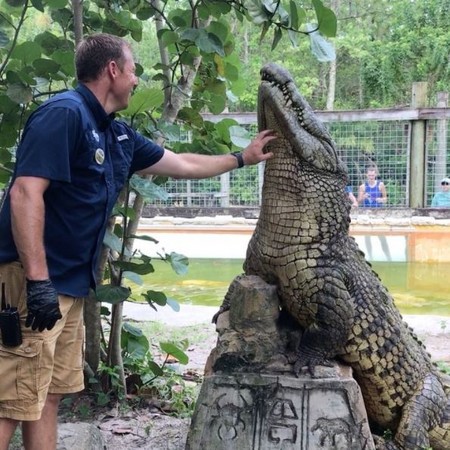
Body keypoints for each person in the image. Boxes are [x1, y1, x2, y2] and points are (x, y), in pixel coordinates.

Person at [0, 33, 276, 450]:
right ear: (113, 69)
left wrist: (242, 158)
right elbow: (24, 193)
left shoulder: (117, 135)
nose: (135, 80)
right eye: (133, 70)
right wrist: (38, 281)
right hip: (34, 284)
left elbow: (181, 162)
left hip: (70, 286)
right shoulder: (64, 115)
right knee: (10, 402)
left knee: (48, 395)